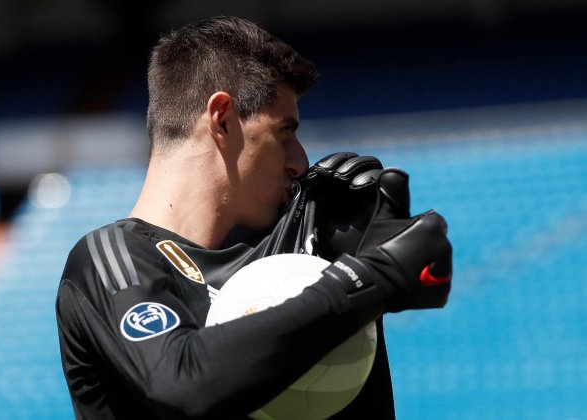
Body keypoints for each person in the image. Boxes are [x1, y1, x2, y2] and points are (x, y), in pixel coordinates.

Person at [55, 16, 452, 419]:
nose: (300, 162)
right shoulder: (110, 258)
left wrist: (350, 266)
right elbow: (179, 385)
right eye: (284, 132)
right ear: (222, 119)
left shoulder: (292, 256)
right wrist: (367, 280)